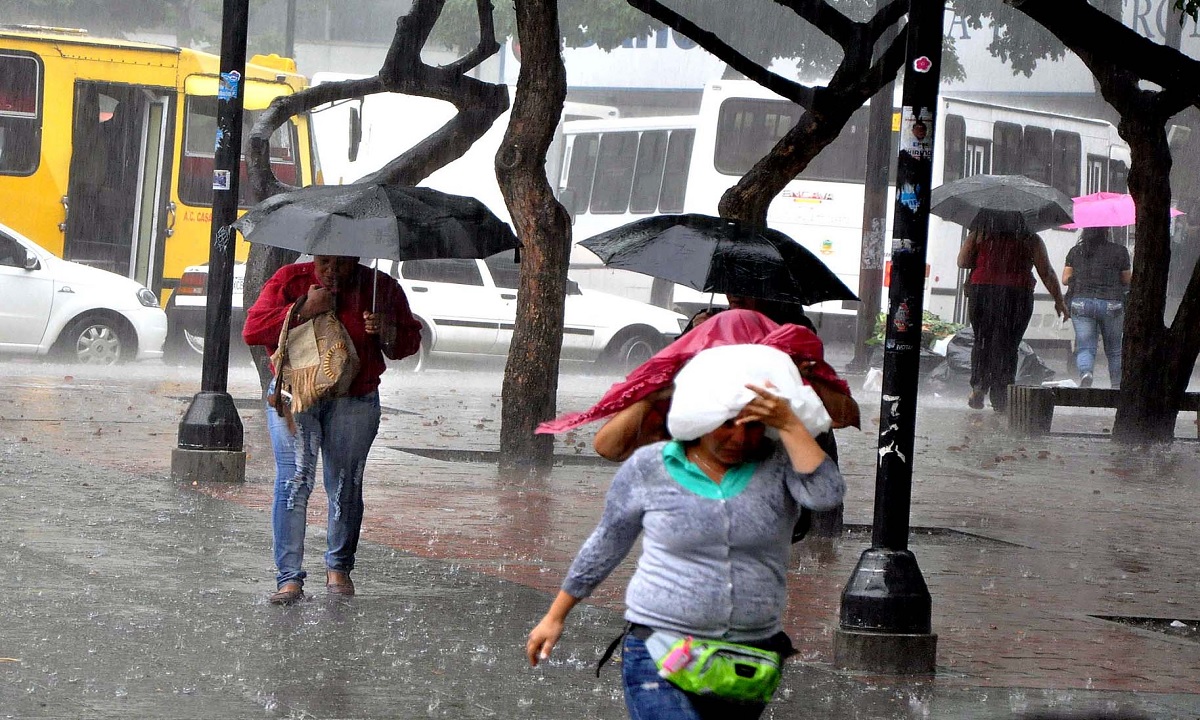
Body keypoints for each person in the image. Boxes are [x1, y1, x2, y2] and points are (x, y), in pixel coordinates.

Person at [527, 345, 846, 720]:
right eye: (726, 424)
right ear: (700, 419)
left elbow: (826, 495)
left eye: (753, 425)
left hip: (748, 658)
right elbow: (607, 542)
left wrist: (791, 423)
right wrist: (556, 615)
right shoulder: (650, 467)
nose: (740, 438)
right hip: (660, 650)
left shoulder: (779, 466)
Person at [243, 255, 422, 604]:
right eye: (324, 263)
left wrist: (387, 330)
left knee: (345, 482)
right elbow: (253, 330)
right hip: (296, 396)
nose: (331, 272)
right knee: (294, 479)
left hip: (355, 398)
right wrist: (302, 308)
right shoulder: (289, 280)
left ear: (355, 259)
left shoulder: (379, 287)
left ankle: (339, 567)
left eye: (341, 265)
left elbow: (407, 344)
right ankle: (289, 578)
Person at [958, 217, 1068, 412]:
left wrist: (979, 247)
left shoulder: (980, 233)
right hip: (1016, 294)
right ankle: (1001, 396)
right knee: (1008, 345)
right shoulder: (1030, 238)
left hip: (983, 291)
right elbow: (1046, 271)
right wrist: (1059, 301)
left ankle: (979, 386)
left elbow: (962, 262)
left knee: (982, 340)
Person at [1062, 227, 1131, 388]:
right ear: (1106, 231)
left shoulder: (1076, 251)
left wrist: (1082, 274)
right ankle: (1116, 384)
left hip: (1082, 303)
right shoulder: (1119, 251)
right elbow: (1126, 279)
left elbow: (1065, 280)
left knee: (1085, 346)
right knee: (1114, 349)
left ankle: (1086, 373)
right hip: (1111, 303)